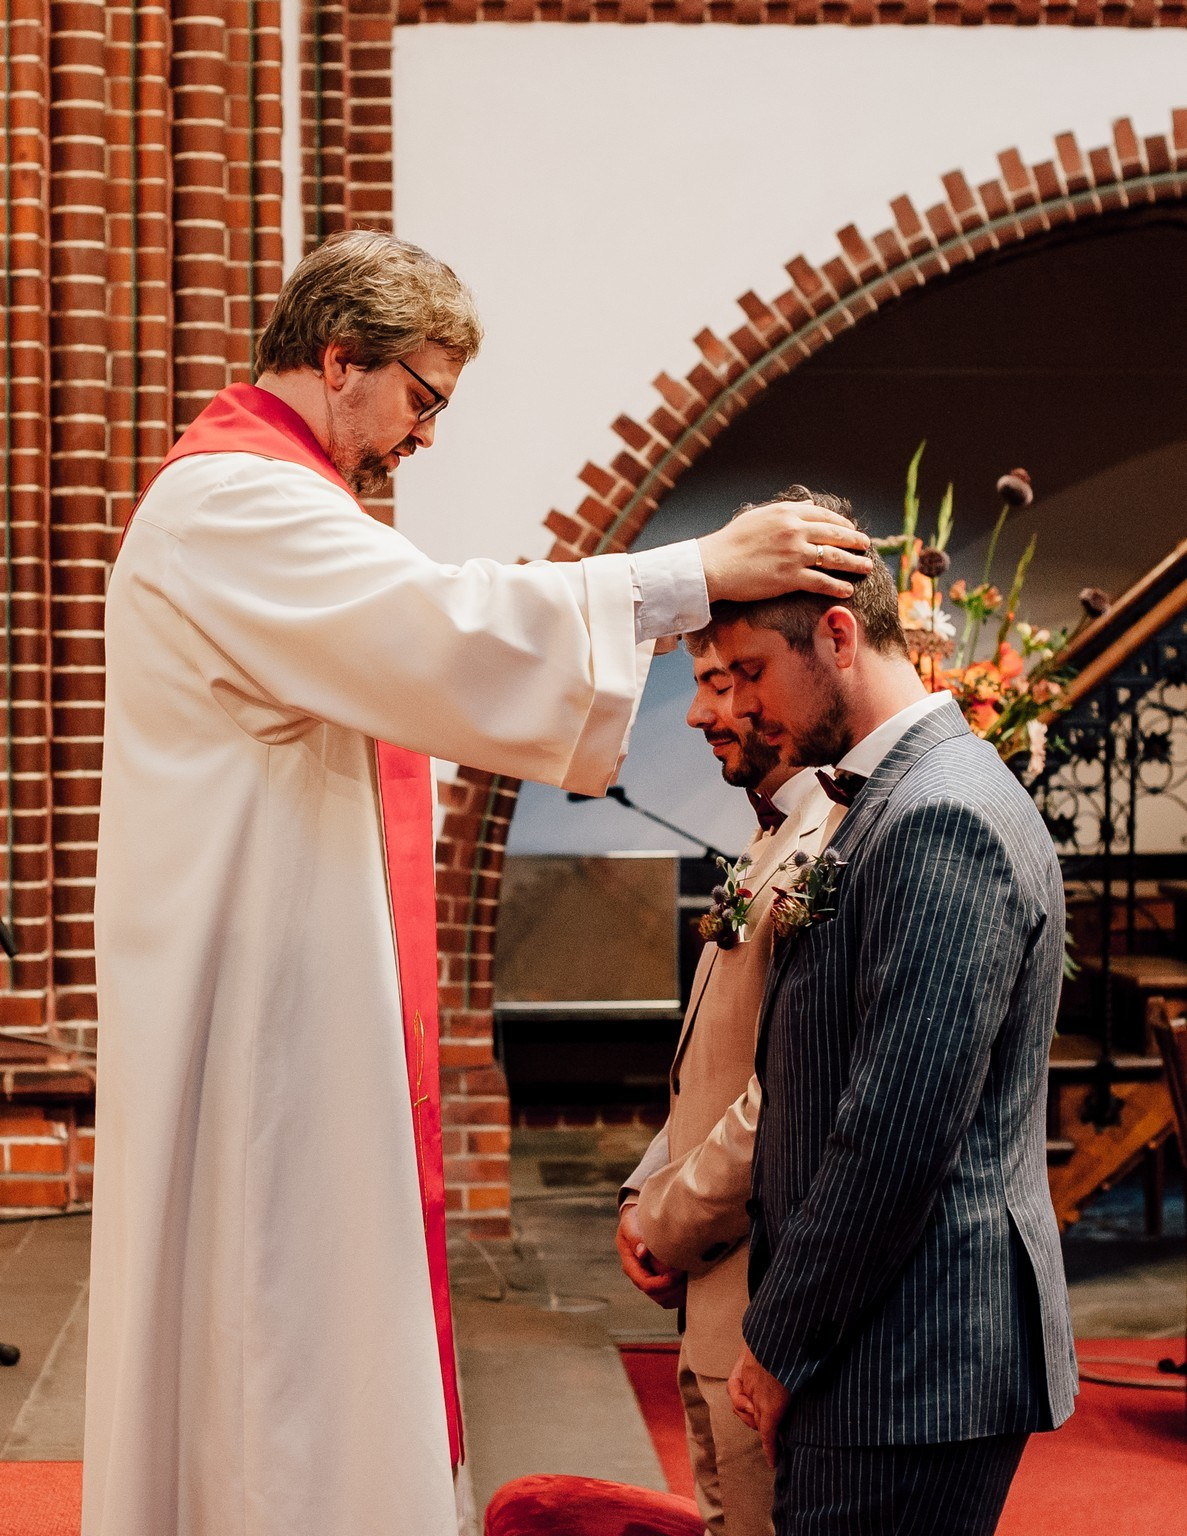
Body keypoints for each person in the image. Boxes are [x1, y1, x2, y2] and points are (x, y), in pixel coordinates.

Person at [83, 236, 873, 1536]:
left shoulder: (265, 496)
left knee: (291, 1321)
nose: (426, 435)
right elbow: (443, 626)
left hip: (280, 979)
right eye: (423, 398)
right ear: (341, 358)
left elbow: (430, 620)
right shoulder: (232, 500)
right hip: (251, 1013)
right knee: (270, 1326)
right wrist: (697, 572)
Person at [715, 488, 1077, 1536]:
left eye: (752, 671)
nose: (742, 707)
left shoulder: (939, 812)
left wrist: (779, 1340)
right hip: (884, 1346)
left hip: (907, 1360)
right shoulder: (889, 796)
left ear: (836, 637)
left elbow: (893, 1132)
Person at [617, 625, 839, 1536]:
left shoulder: (830, 842)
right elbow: (718, 1060)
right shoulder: (769, 836)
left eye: (725, 680)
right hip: (714, 1295)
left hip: (759, 1291)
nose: (700, 712)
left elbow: (787, 1089)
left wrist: (666, 1223)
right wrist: (643, 1187)